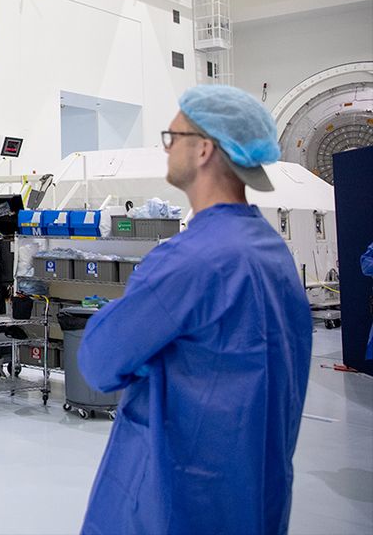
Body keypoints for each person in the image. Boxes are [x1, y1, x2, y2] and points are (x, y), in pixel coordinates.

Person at [78, 85, 312, 535]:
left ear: (203, 149)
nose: (167, 147)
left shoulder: (189, 260)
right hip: (253, 497)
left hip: (176, 500)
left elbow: (100, 361)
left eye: (173, 135)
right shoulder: (272, 254)